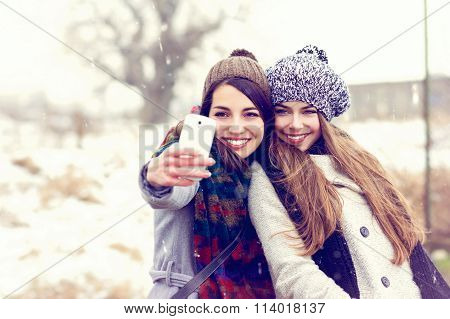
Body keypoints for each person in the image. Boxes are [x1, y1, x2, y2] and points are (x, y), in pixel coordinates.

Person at [248, 45, 450, 298]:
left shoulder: (361, 163)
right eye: (283, 111)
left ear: (324, 115)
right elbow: (292, 272)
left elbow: (409, 245)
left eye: (308, 111)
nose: (295, 123)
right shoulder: (269, 175)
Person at [139, 49, 276, 298]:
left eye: (250, 114)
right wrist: (157, 177)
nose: (236, 127)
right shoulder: (192, 151)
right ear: (205, 116)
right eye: (222, 114)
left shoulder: (268, 169)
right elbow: (176, 188)